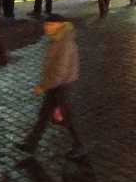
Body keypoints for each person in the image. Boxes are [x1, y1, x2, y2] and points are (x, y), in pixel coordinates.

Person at [17, 17, 86, 160]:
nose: (47, 27)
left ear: (60, 25)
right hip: (56, 85)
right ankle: (31, 143)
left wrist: (44, 86)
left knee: (68, 117)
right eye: (46, 24)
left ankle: (80, 145)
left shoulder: (64, 42)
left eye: (51, 24)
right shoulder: (58, 38)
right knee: (44, 115)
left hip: (62, 86)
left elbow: (60, 70)